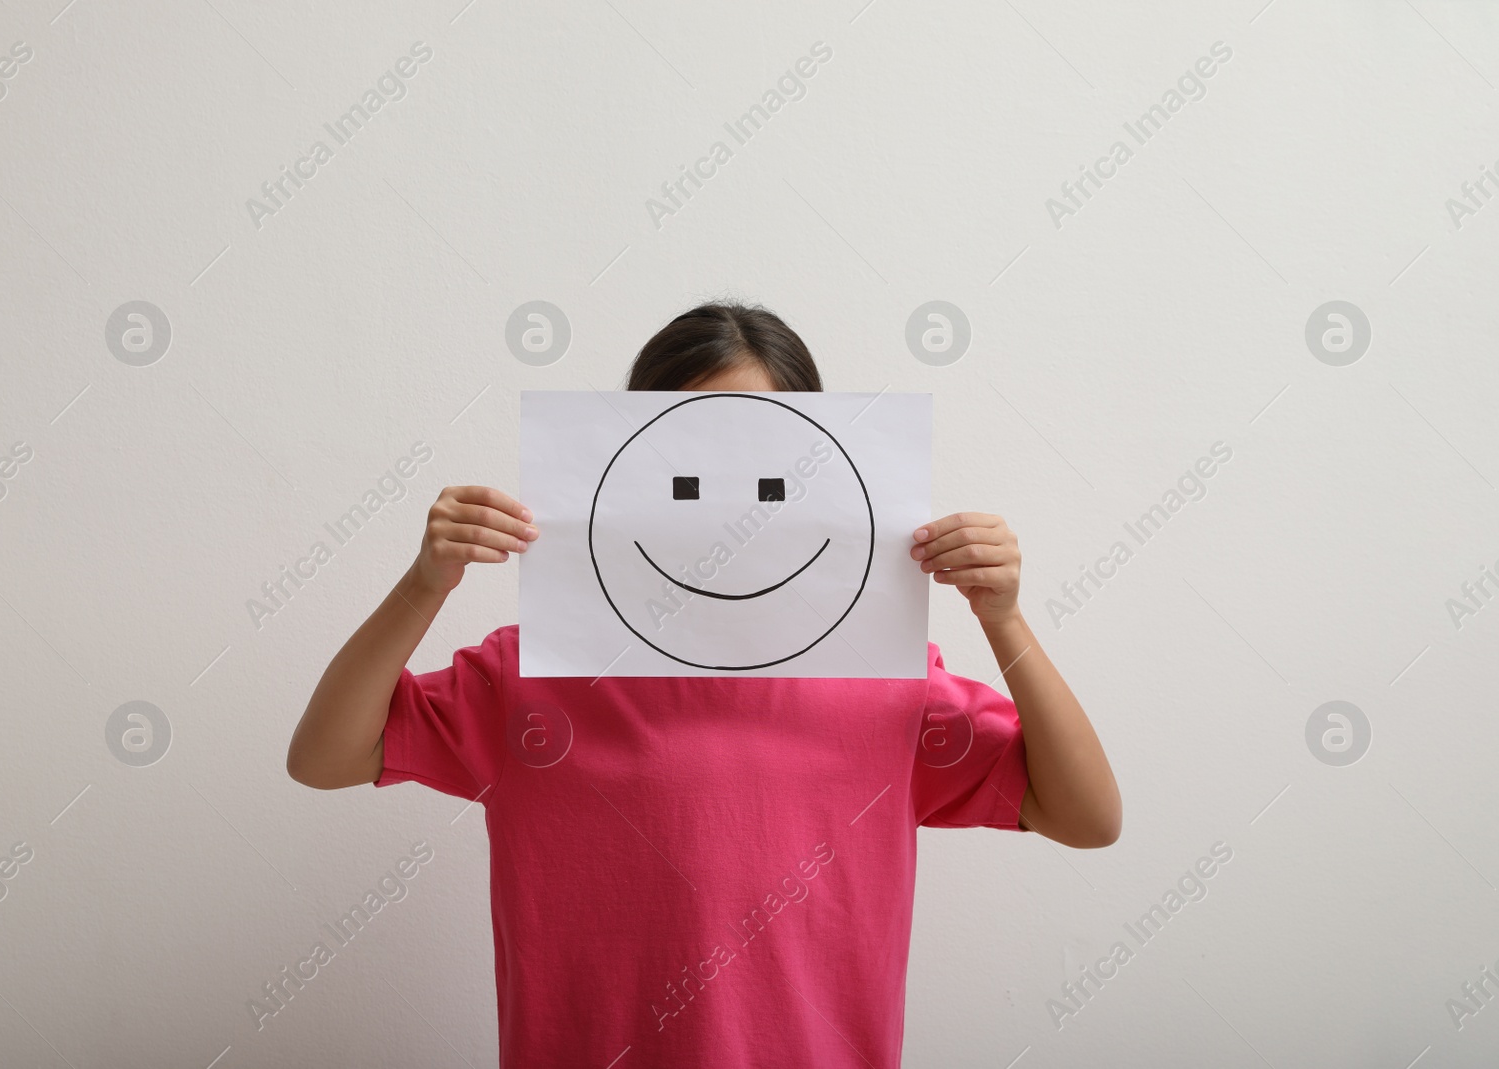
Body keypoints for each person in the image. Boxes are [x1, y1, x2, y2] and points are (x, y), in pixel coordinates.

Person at [286, 300, 1121, 1067]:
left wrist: (1001, 616)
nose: (729, 508)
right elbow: (325, 756)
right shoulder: (532, 676)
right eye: (688, 465)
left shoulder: (883, 682)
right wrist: (426, 579)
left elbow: (1086, 815)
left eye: (765, 466)